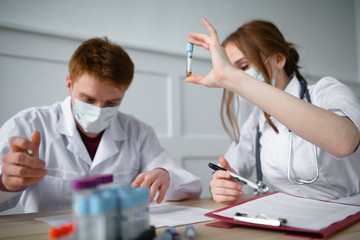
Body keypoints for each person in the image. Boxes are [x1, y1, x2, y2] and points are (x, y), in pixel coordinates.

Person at [0, 37, 201, 213]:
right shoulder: (28, 126)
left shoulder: (138, 132)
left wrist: (164, 175)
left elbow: (191, 185)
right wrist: (5, 184)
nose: (98, 111)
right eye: (88, 100)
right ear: (69, 85)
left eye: (111, 103)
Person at [186, 18, 360, 205]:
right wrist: (221, 183)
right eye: (230, 70)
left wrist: (233, 77)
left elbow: (344, 142)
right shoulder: (256, 120)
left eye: (243, 67)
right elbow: (228, 168)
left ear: (278, 59)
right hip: (286, 218)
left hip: (348, 214)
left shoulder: (327, 91)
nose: (233, 78)